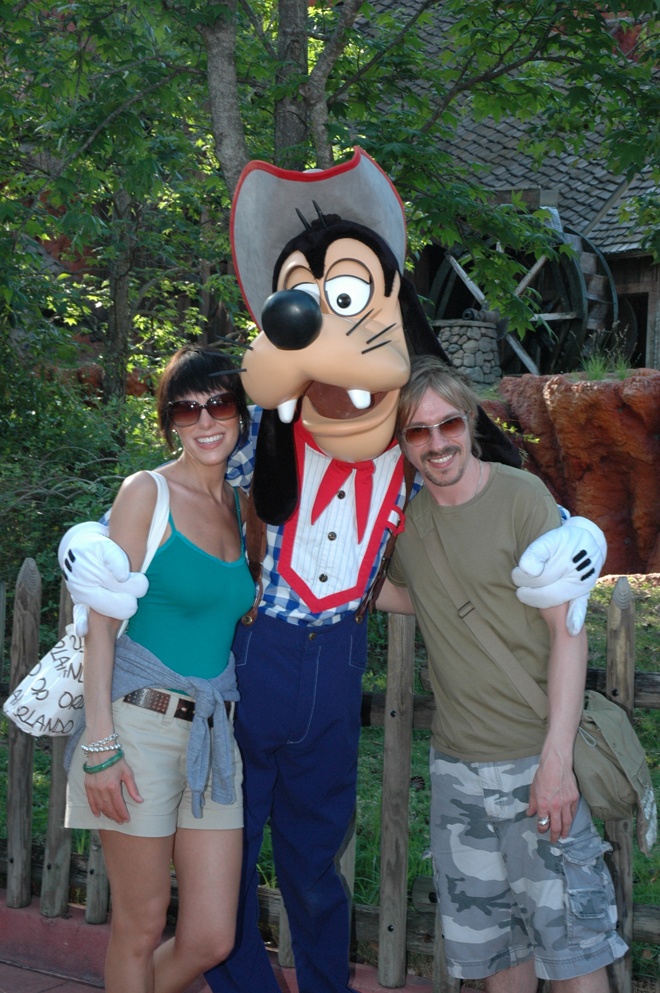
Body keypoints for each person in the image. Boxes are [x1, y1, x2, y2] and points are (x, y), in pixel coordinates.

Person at [57, 153, 607, 993]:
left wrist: (578, 537)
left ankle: (324, 983)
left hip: (338, 658)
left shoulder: (408, 451)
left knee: (317, 853)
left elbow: (487, 490)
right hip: (258, 655)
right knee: (233, 840)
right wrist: (91, 538)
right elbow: (184, 483)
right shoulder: (259, 442)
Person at [376, 356, 627, 992]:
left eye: (448, 424)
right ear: (402, 442)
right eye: (418, 431)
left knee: (576, 955)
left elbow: (567, 633)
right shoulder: (410, 525)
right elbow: (404, 593)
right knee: (496, 960)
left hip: (534, 763)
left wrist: (556, 763)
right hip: (455, 772)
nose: (437, 443)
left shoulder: (521, 498)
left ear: (470, 421)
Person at [64, 346, 256, 993]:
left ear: (240, 413)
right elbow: (100, 623)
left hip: (213, 736)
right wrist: (100, 745)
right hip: (138, 728)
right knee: (140, 926)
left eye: (218, 404)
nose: (204, 421)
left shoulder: (242, 507)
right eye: (185, 408)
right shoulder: (146, 491)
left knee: (211, 936)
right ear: (169, 420)